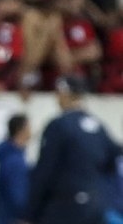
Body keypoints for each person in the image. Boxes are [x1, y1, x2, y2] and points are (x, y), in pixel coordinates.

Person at [27, 75, 121, 224]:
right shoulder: (98, 126)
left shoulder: (59, 126)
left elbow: (45, 171)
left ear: (65, 94)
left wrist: (29, 213)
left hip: (65, 206)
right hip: (97, 205)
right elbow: (114, 160)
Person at [0, 113, 31, 224]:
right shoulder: (14, 161)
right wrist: (25, 215)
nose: (31, 132)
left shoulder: (11, 157)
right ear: (21, 130)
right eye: (28, 128)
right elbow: (17, 196)